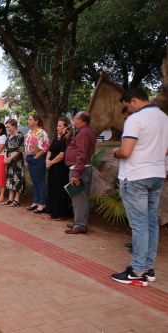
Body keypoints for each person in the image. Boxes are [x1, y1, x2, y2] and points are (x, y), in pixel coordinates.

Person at [110, 87, 168, 286]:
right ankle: (148, 268)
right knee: (151, 223)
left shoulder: (136, 119)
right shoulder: (163, 117)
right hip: (157, 174)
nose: (129, 110)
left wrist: (115, 152)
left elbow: (126, 151)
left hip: (136, 177)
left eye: (127, 105)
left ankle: (136, 271)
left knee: (140, 225)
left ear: (133, 100)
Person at [64, 111, 96, 234]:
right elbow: (75, 148)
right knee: (78, 198)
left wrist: (76, 174)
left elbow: (81, 154)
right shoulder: (84, 132)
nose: (73, 120)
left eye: (75, 118)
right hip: (80, 168)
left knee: (80, 198)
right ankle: (79, 221)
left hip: (79, 169)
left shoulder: (83, 133)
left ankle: (81, 224)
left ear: (82, 120)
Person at [46, 118, 73, 221]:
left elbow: (62, 155)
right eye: (57, 125)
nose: (58, 128)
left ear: (66, 127)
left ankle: (62, 213)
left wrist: (51, 162)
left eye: (60, 126)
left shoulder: (66, 141)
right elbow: (50, 150)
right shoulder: (55, 139)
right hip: (52, 168)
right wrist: (47, 161)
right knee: (53, 189)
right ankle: (53, 211)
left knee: (60, 190)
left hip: (60, 168)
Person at [24, 115, 50, 214]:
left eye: (30, 119)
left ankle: (42, 203)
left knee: (40, 181)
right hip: (30, 158)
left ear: (36, 121)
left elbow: (46, 146)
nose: (28, 121)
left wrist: (37, 156)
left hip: (38, 158)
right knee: (34, 181)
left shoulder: (42, 133)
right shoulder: (29, 132)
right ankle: (36, 201)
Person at [4, 119, 25, 207]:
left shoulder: (20, 135)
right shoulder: (8, 136)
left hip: (17, 161)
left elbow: (20, 149)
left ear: (14, 126)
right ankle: (10, 198)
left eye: (9, 127)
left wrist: (11, 158)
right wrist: (5, 158)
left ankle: (17, 199)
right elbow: (5, 148)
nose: (8, 129)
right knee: (9, 178)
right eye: (7, 127)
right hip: (9, 160)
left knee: (17, 178)